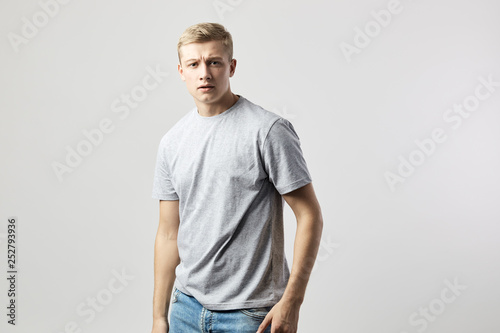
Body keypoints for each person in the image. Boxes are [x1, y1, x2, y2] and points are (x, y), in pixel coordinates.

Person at [151, 22, 323, 333]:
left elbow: (309, 214)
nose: (204, 72)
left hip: (251, 314)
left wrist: (292, 300)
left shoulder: (268, 131)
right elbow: (167, 234)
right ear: (181, 71)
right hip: (185, 309)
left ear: (231, 66)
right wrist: (159, 318)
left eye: (214, 62)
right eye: (194, 64)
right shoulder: (172, 142)